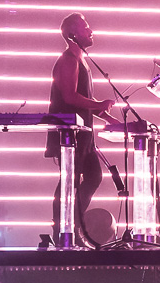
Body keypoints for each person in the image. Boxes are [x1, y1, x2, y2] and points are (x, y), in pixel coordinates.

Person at [44, 13, 119, 245]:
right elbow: (69, 96)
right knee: (69, 181)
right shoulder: (68, 60)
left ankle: (73, 224)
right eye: (86, 27)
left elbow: (84, 99)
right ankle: (63, 231)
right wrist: (99, 105)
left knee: (93, 177)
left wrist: (108, 116)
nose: (91, 31)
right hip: (69, 135)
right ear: (73, 34)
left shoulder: (82, 61)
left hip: (83, 134)